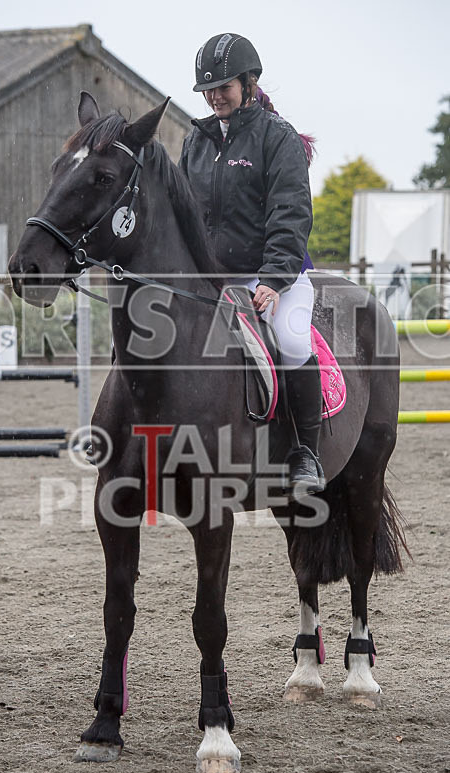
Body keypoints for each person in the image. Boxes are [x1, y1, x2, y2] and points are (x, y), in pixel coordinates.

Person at [179, 32, 324, 492]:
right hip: (214, 280)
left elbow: (291, 211)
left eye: (223, 86)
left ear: (249, 81)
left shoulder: (277, 138)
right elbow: (186, 215)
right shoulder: (196, 141)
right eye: (208, 89)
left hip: (275, 275)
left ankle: (306, 453)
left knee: (293, 340)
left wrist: (275, 280)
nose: (214, 96)